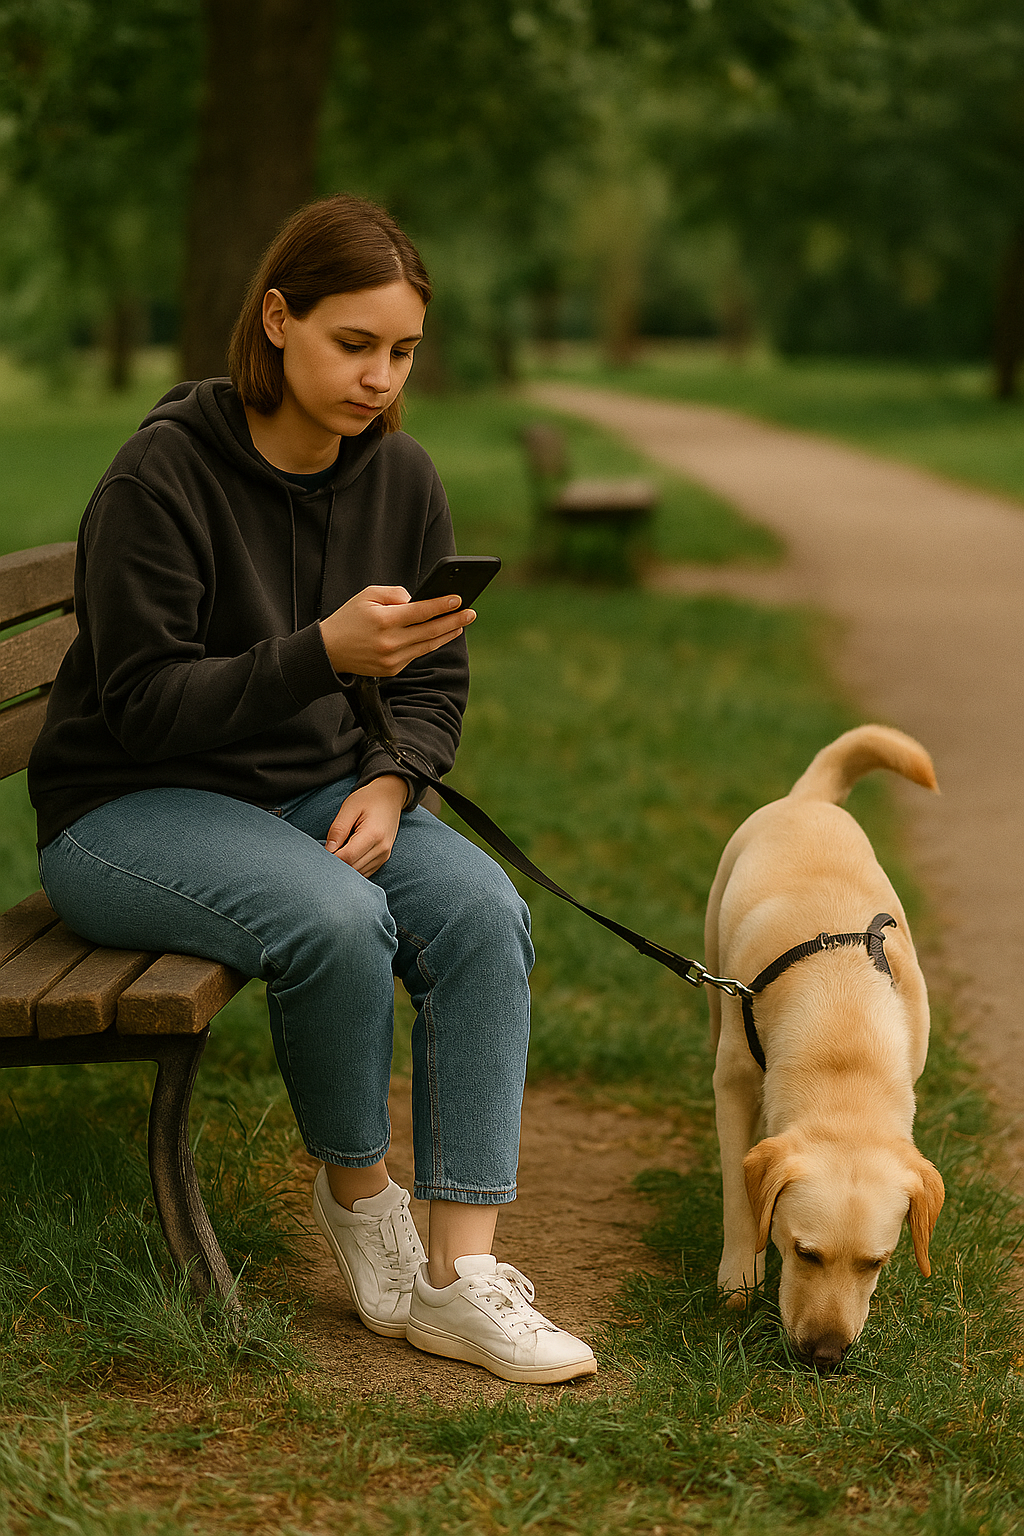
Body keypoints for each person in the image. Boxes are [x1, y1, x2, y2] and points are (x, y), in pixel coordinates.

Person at [28, 194, 596, 1386]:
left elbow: (435, 681)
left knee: (485, 913)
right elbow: (139, 707)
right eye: (354, 345)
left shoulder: (402, 481)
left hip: (319, 792)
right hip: (127, 811)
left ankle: (456, 1278)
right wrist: (319, 656)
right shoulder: (162, 475)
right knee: (334, 918)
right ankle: (362, 1201)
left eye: (402, 352)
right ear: (278, 320)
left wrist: (393, 780)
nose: (380, 378)